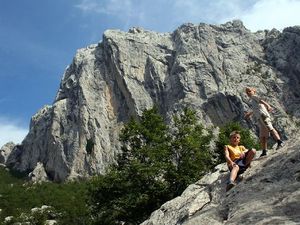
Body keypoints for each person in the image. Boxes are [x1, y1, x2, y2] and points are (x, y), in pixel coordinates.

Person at [244, 87, 284, 157]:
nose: (248, 93)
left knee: (270, 128)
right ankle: (264, 151)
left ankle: (279, 142)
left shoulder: (254, 97)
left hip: (263, 116)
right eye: (247, 92)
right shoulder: (253, 101)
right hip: (260, 119)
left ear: (254, 91)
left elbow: (261, 100)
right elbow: (256, 108)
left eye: (250, 91)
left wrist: (268, 106)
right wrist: (249, 114)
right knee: (262, 136)